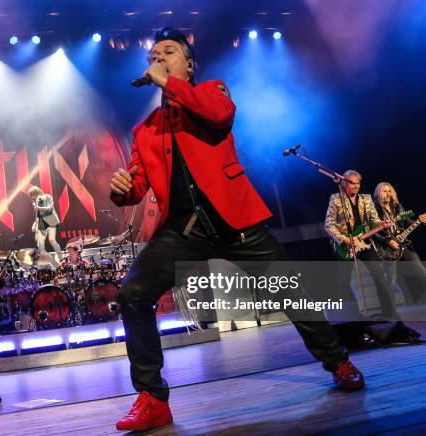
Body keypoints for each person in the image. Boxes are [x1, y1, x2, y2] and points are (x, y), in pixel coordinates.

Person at [109, 27, 364, 433]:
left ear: (188, 66)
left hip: (236, 219)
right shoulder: (146, 129)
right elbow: (138, 185)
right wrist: (122, 190)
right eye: (153, 54)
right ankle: (153, 399)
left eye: (168, 52)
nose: (157, 58)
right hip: (182, 229)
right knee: (132, 294)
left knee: (291, 293)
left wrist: (171, 85)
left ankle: (337, 361)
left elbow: (220, 117)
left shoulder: (212, 92)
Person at [324, 170, 400, 320]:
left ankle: (390, 314)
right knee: (343, 283)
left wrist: (383, 224)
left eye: (359, 183)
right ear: (345, 183)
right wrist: (343, 239)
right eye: (353, 183)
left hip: (365, 242)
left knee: (380, 277)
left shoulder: (366, 199)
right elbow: (329, 225)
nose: (357, 186)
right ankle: (348, 317)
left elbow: (374, 220)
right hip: (345, 245)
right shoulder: (336, 199)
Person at [373, 181, 426, 304]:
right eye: (384, 191)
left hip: (404, 244)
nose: (388, 194)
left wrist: (421, 221)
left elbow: (407, 222)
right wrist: (387, 241)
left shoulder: (398, 207)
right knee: (391, 280)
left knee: (421, 271)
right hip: (387, 249)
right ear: (379, 193)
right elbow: (374, 231)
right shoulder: (375, 210)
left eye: (389, 191)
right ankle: (392, 309)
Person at [28, 186, 62, 263]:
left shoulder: (47, 196)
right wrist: (35, 224)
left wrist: (39, 208)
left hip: (50, 220)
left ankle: (62, 259)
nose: (33, 197)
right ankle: (47, 261)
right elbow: (38, 216)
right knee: (40, 244)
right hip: (42, 222)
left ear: (38, 192)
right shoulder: (35, 202)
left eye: (34, 194)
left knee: (52, 240)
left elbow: (50, 208)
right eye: (31, 195)